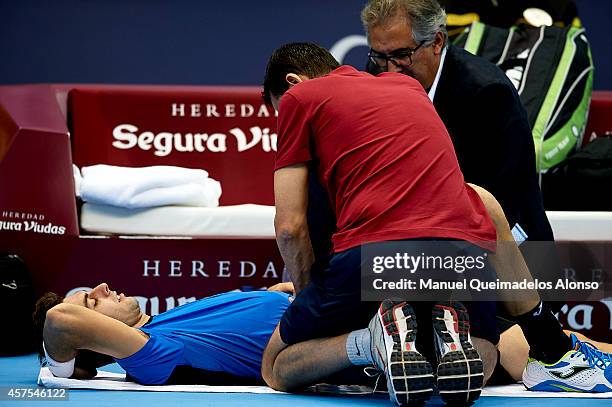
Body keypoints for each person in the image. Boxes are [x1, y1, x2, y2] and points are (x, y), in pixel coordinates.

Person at [260, 42, 612, 407]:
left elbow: (289, 228)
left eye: (277, 111)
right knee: (486, 351)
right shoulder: (407, 86)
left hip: (377, 264)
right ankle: (538, 348)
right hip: (460, 253)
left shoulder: (302, 99)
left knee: (275, 367)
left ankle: (372, 343)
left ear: (293, 82)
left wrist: (305, 302)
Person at [360, 0, 554, 243]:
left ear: (437, 42)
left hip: (510, 245)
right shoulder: (379, 69)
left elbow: (498, 199)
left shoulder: (487, 94)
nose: (390, 70)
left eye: (402, 55)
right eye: (380, 55)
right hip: (426, 241)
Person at [33, 282, 291, 384]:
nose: (102, 287)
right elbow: (59, 320)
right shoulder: (149, 357)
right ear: (96, 339)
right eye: (93, 303)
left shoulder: (161, 323)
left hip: (308, 305)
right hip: (314, 334)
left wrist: (270, 296)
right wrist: (65, 371)